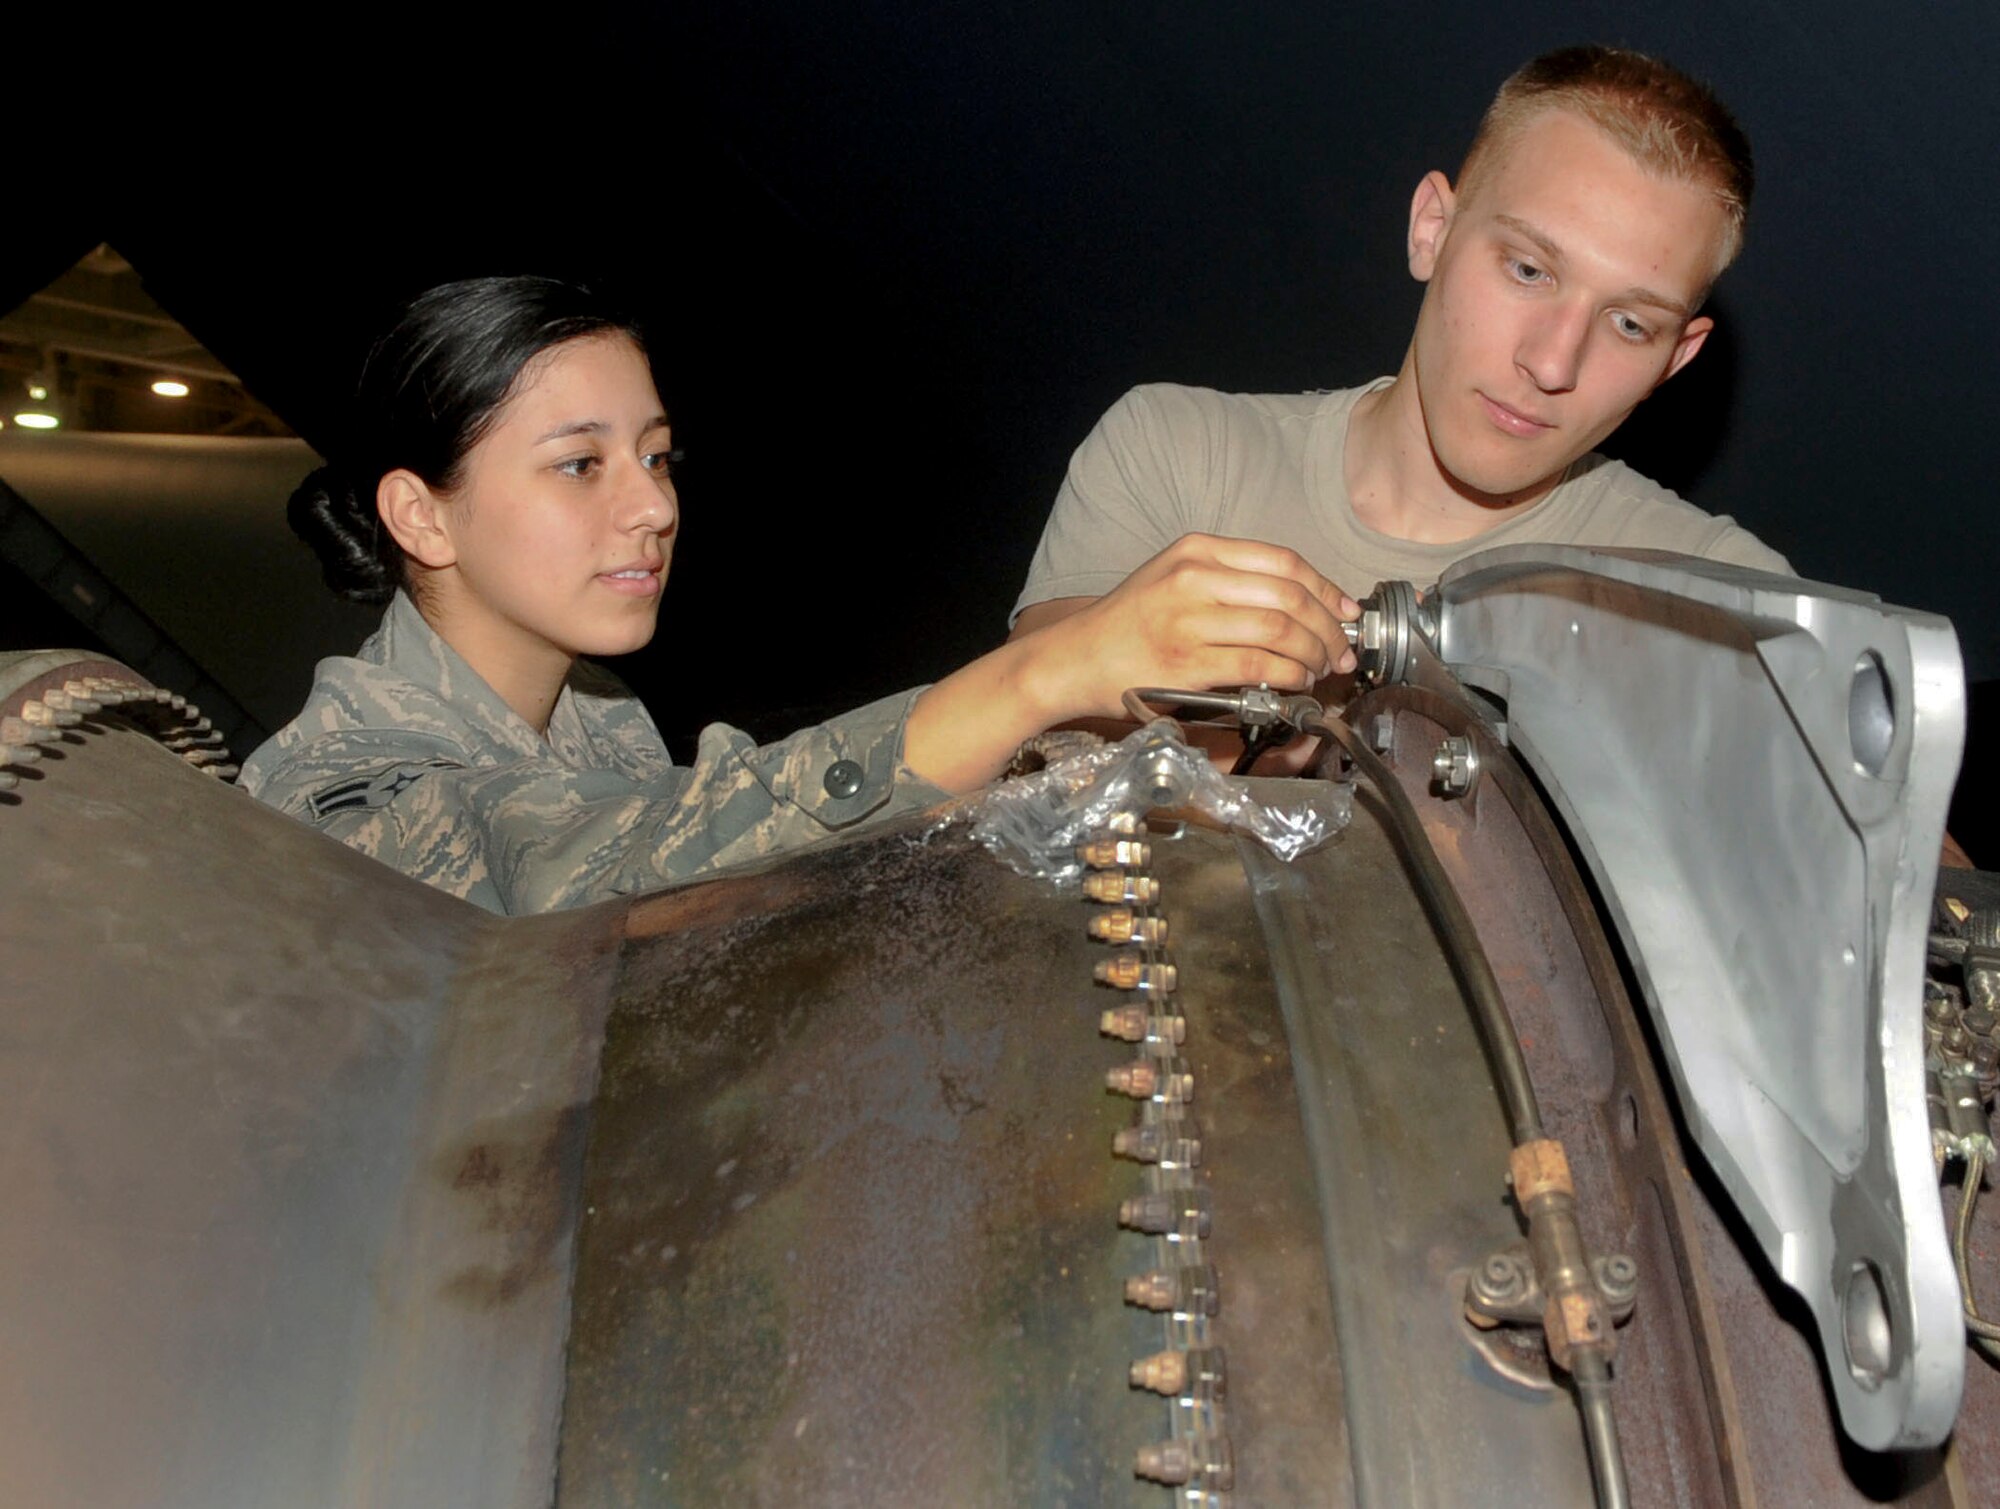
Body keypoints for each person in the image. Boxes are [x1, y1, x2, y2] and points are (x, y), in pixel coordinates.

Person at [242, 276, 1355, 913]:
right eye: (581, 464)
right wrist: (1042, 671)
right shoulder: (343, 797)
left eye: (657, 457)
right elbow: (618, 857)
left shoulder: (594, 710)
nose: (653, 508)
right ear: (418, 515)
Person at [1010, 45, 1790, 651]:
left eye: (1629, 325)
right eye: (1527, 269)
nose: (1552, 365)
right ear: (1432, 231)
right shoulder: (1180, 463)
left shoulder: (1721, 606)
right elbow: (1023, 787)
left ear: (1676, 359)